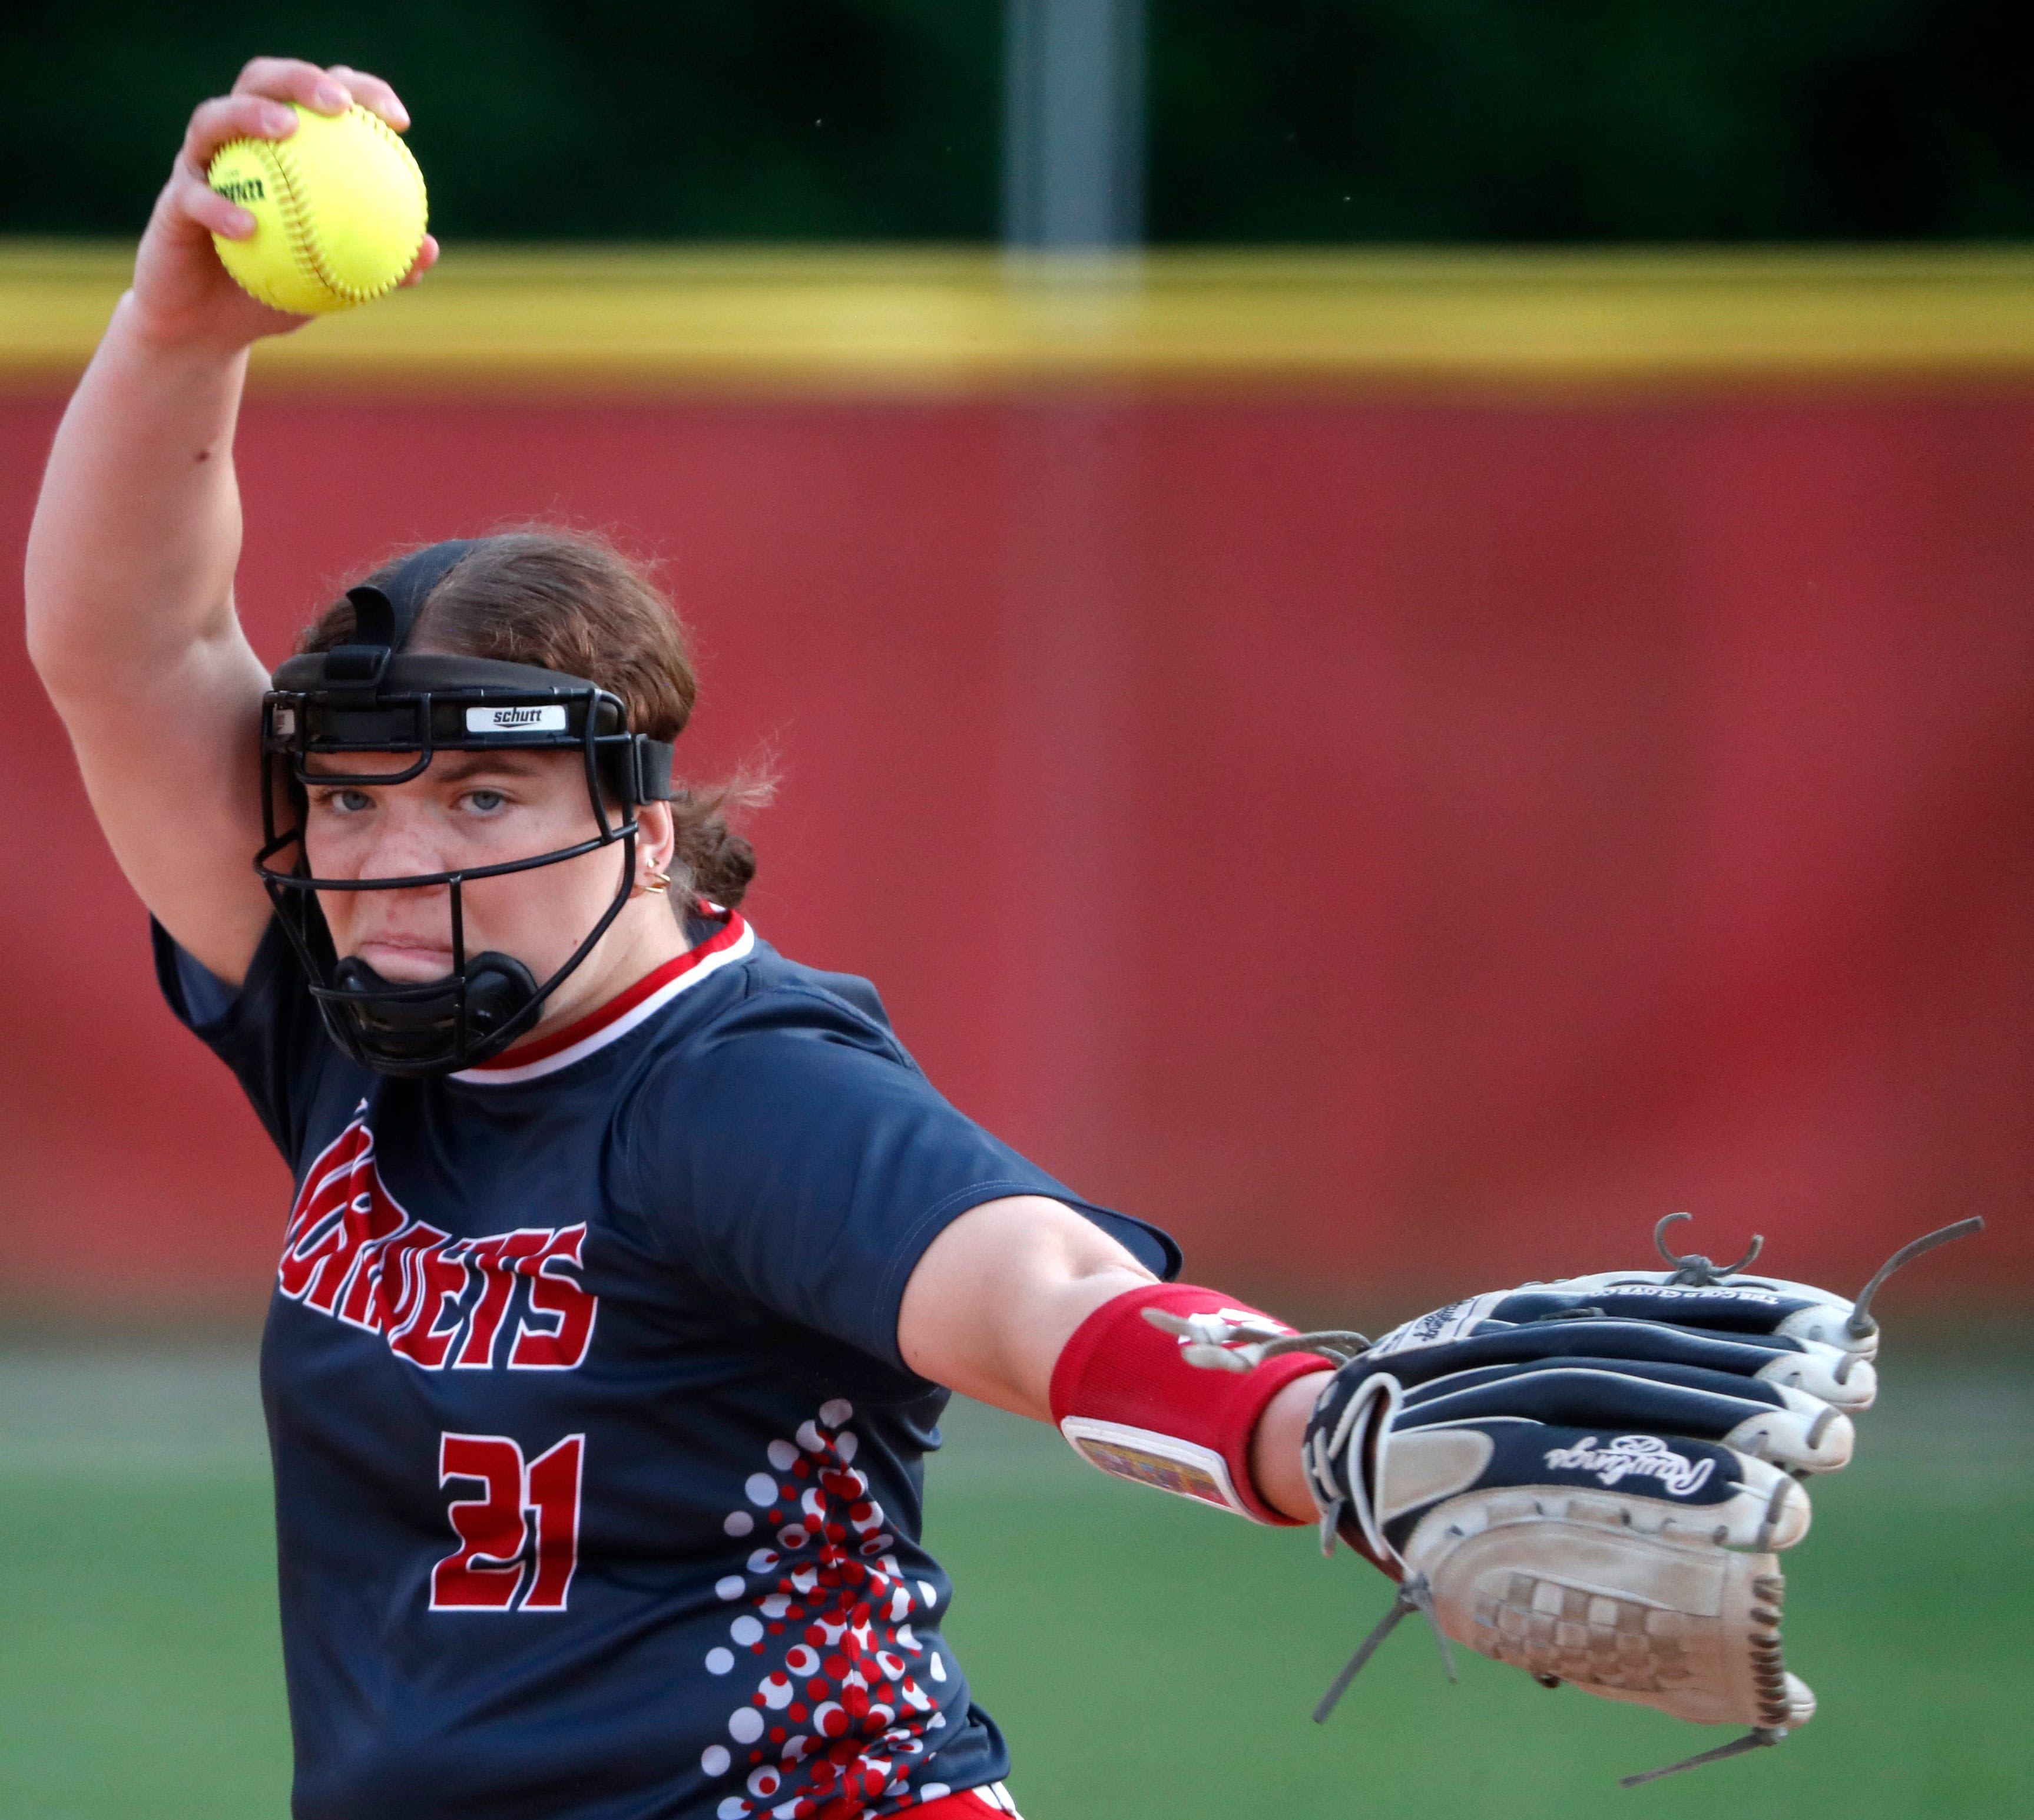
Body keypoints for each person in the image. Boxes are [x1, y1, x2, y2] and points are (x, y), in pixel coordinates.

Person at [26, 55, 1878, 1820]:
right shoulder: (357, 1022)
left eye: (480, 800)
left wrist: (1320, 1425)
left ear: (646, 828)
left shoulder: (726, 1092)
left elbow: (1039, 1291)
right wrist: (181, 323)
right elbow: (130, 653)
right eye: (352, 798)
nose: (397, 855)